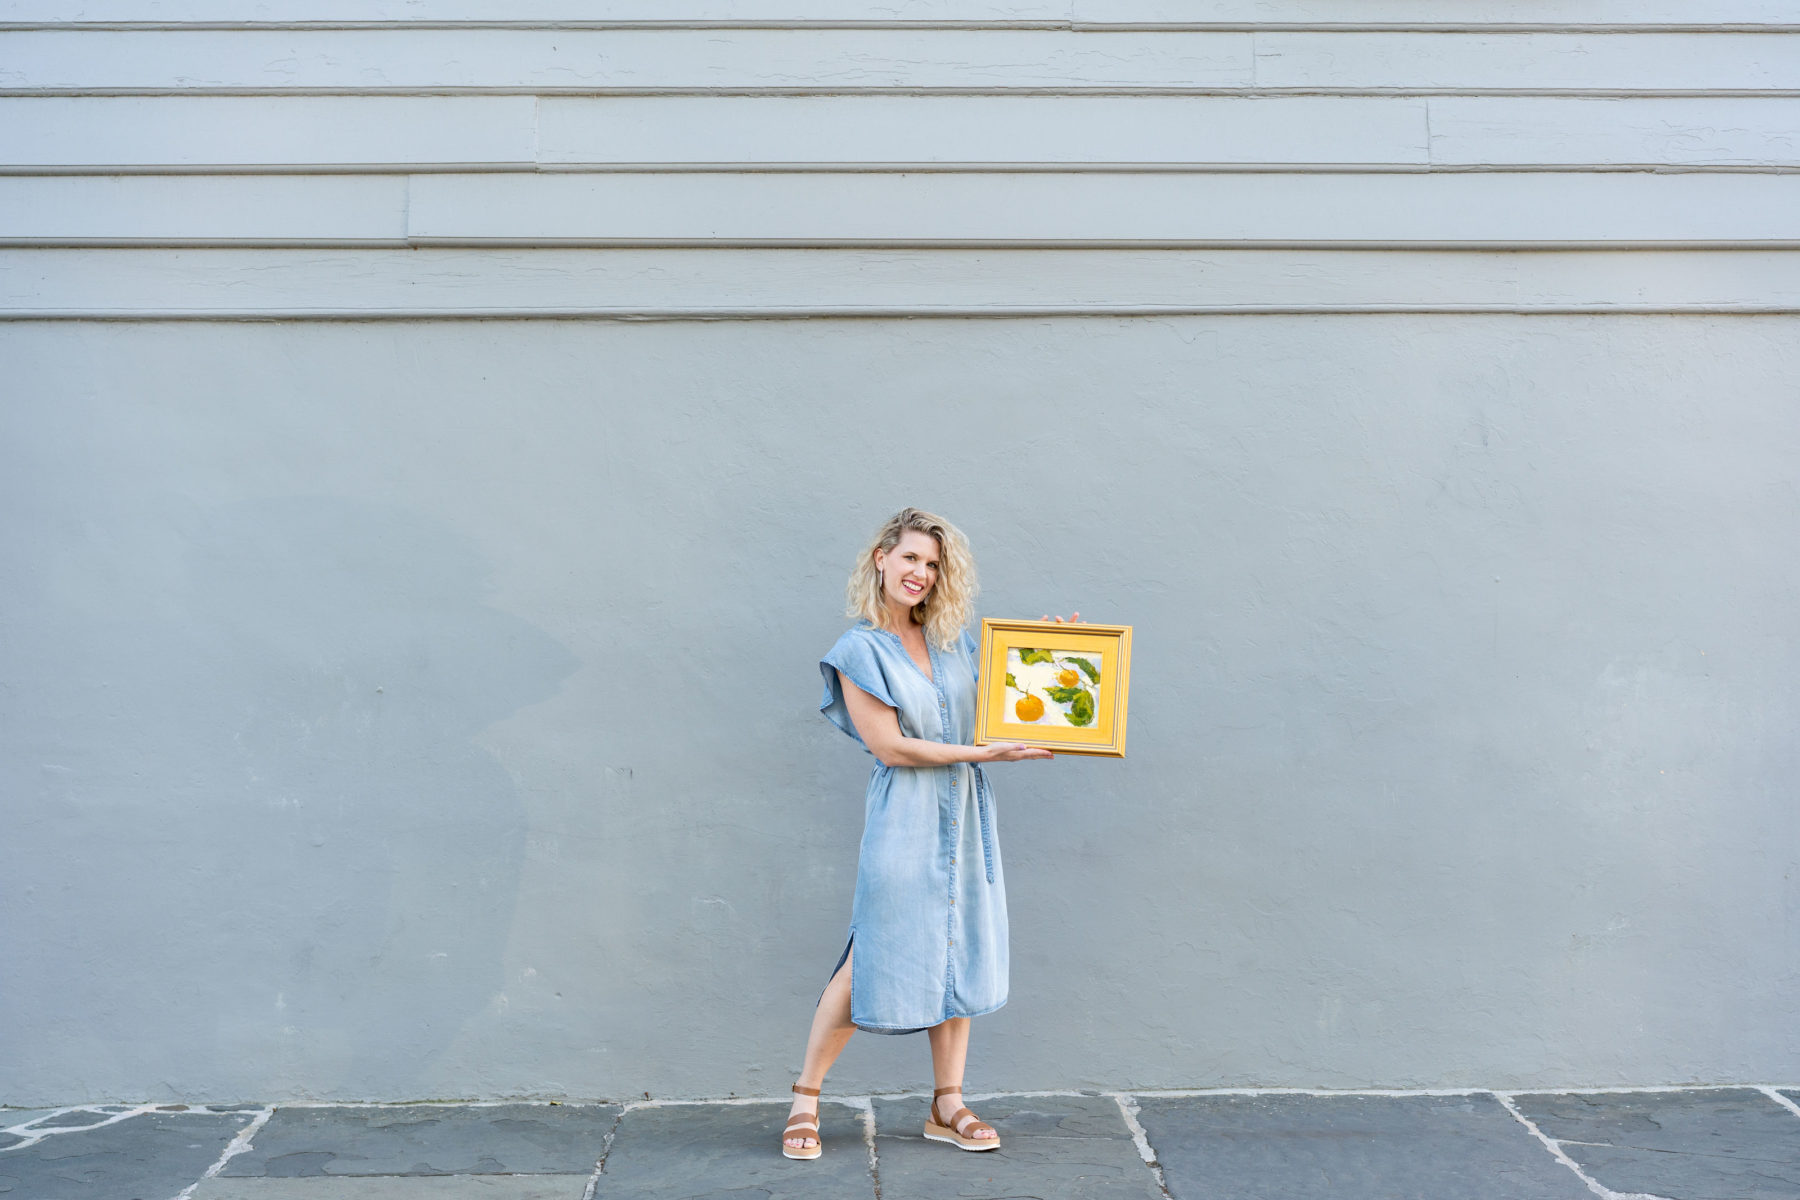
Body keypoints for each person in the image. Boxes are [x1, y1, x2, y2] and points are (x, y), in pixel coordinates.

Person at [780, 507, 1075, 1160]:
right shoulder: (858, 650)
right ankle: (805, 1099)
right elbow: (891, 747)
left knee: (958, 945)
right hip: (905, 820)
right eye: (911, 557)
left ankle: (948, 1103)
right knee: (869, 961)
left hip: (966, 816)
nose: (921, 572)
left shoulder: (955, 642)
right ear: (881, 558)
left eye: (933, 564)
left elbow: (1007, 704)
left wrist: (1055, 658)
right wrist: (981, 756)